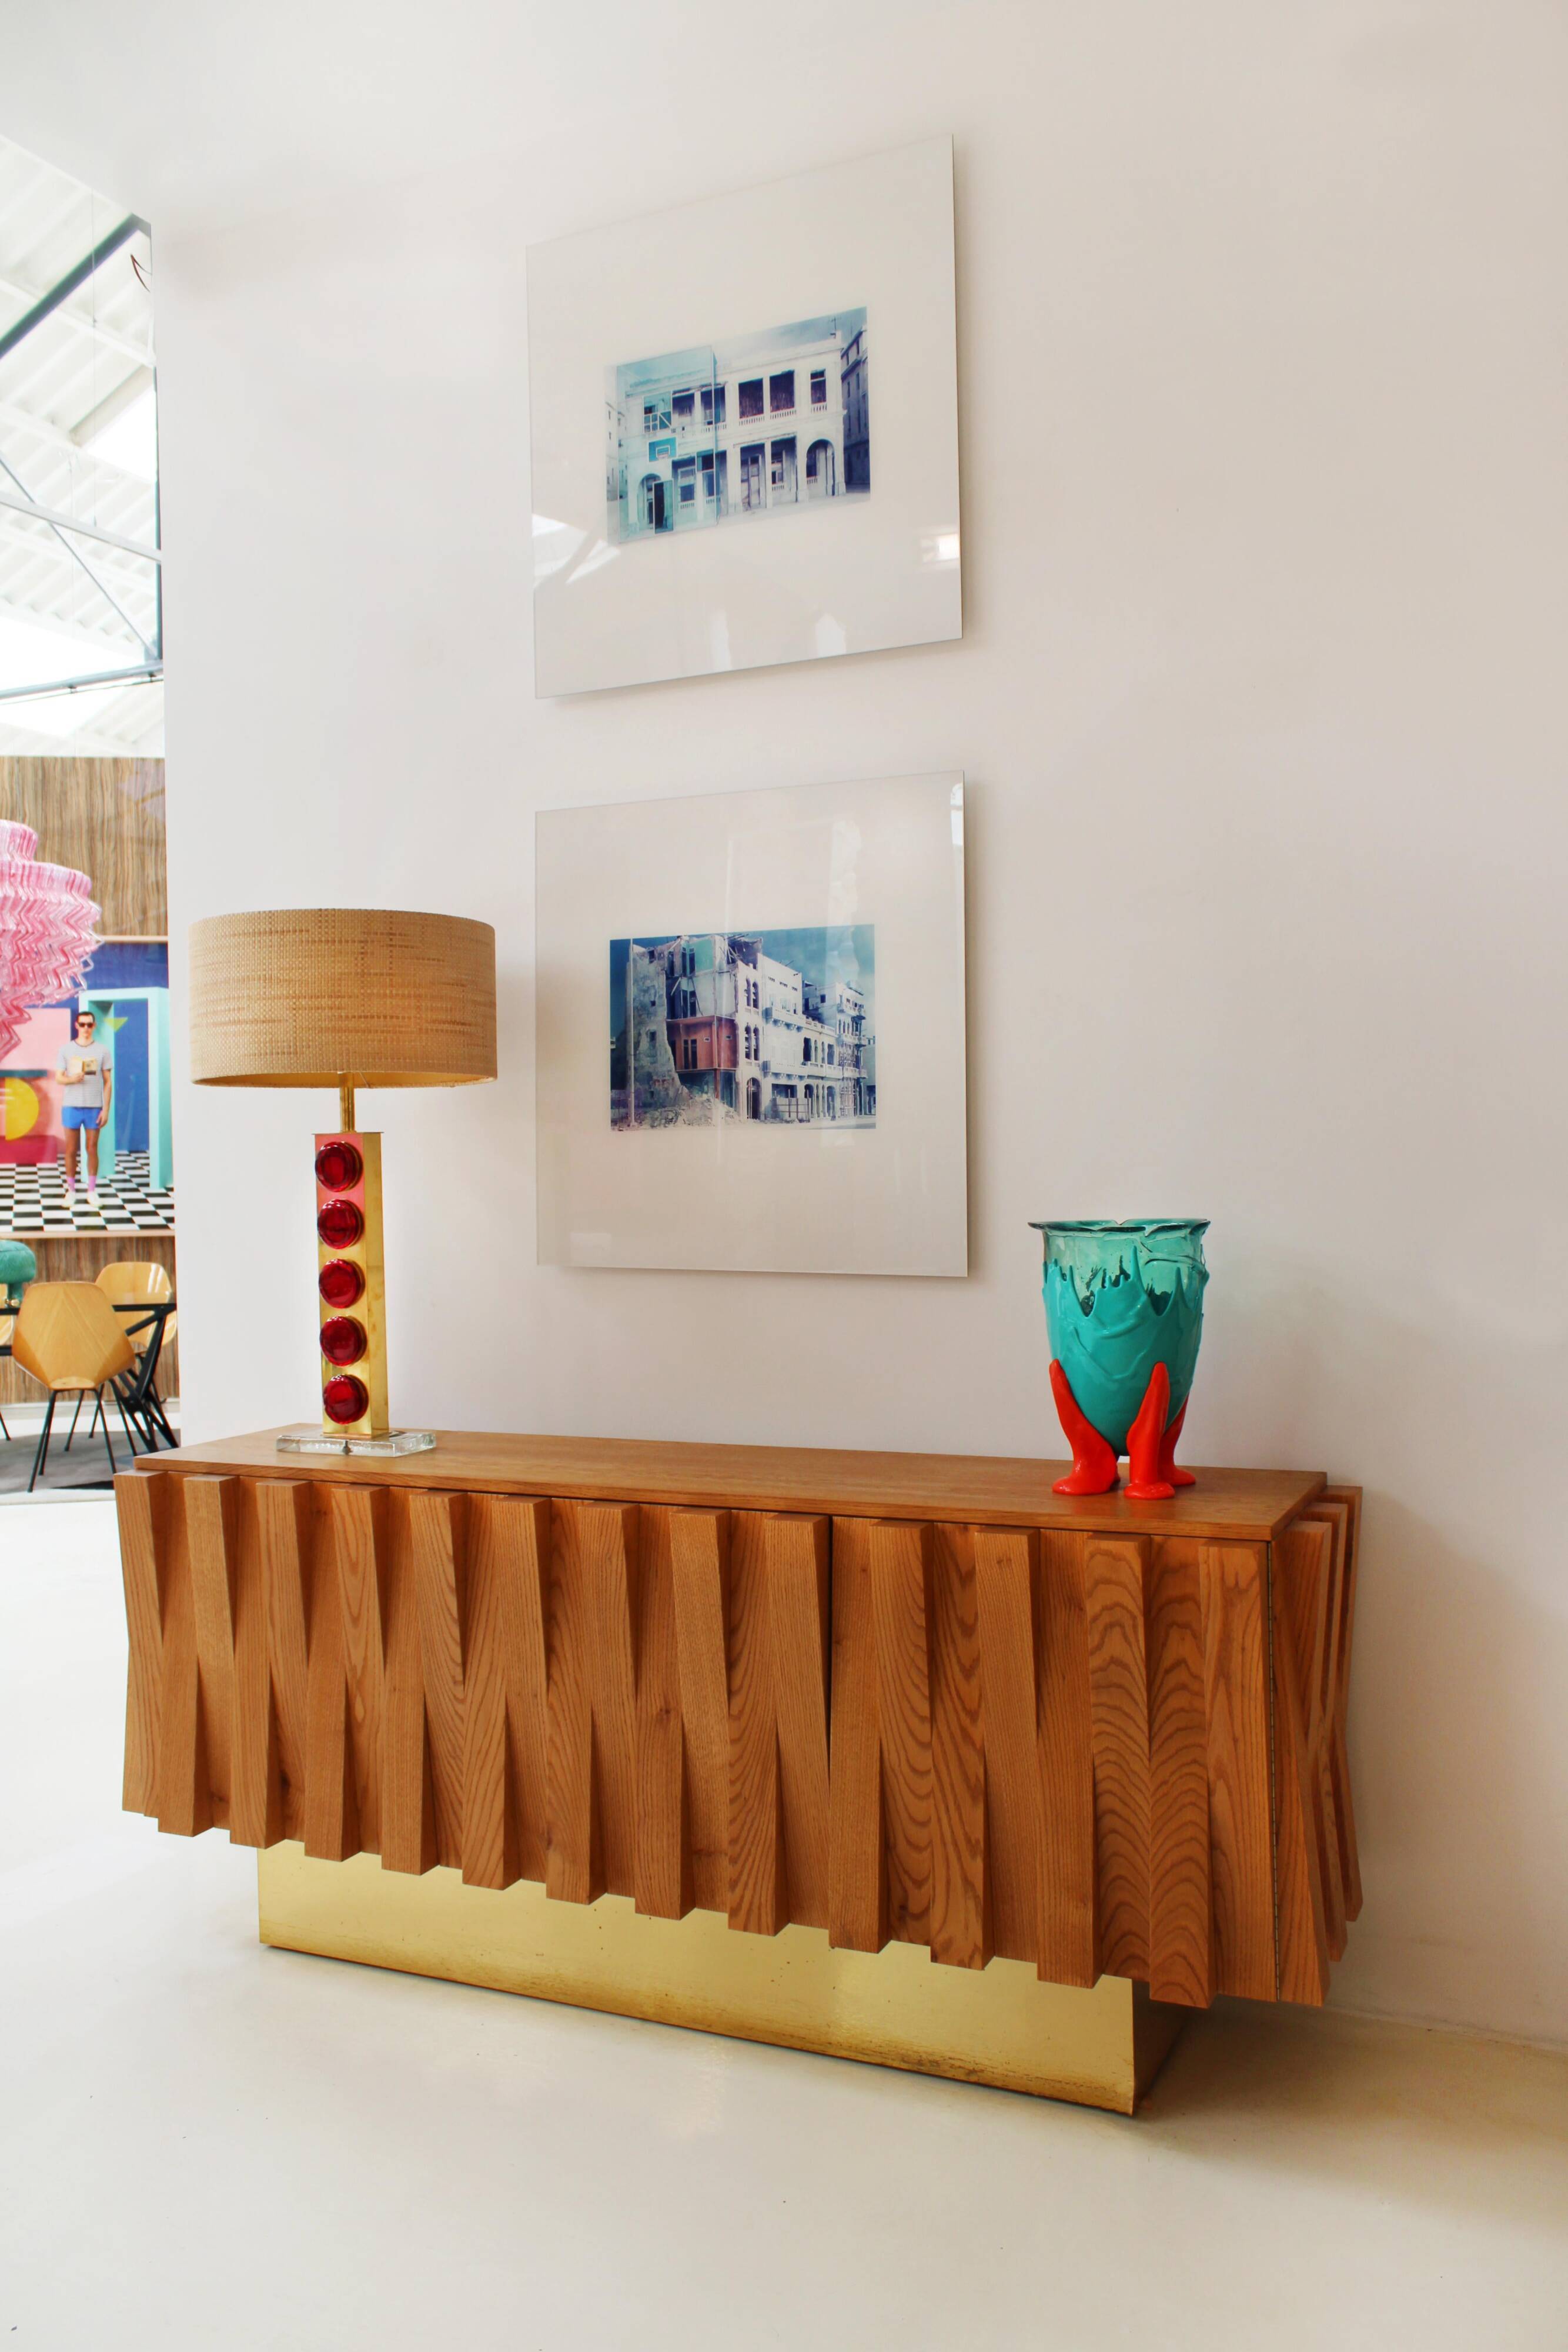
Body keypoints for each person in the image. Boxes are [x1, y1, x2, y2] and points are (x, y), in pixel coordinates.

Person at [55, 1008, 112, 1210]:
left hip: (93, 1106)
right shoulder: (66, 1050)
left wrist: (106, 1110)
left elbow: (108, 1082)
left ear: (94, 1026)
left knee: (91, 1148)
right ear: (77, 1026)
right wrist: (72, 1079)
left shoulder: (103, 1050)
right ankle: (71, 1190)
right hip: (71, 1105)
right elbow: (58, 1077)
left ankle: (91, 1190)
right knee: (70, 1150)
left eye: (90, 1024)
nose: (86, 1028)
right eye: (83, 1024)